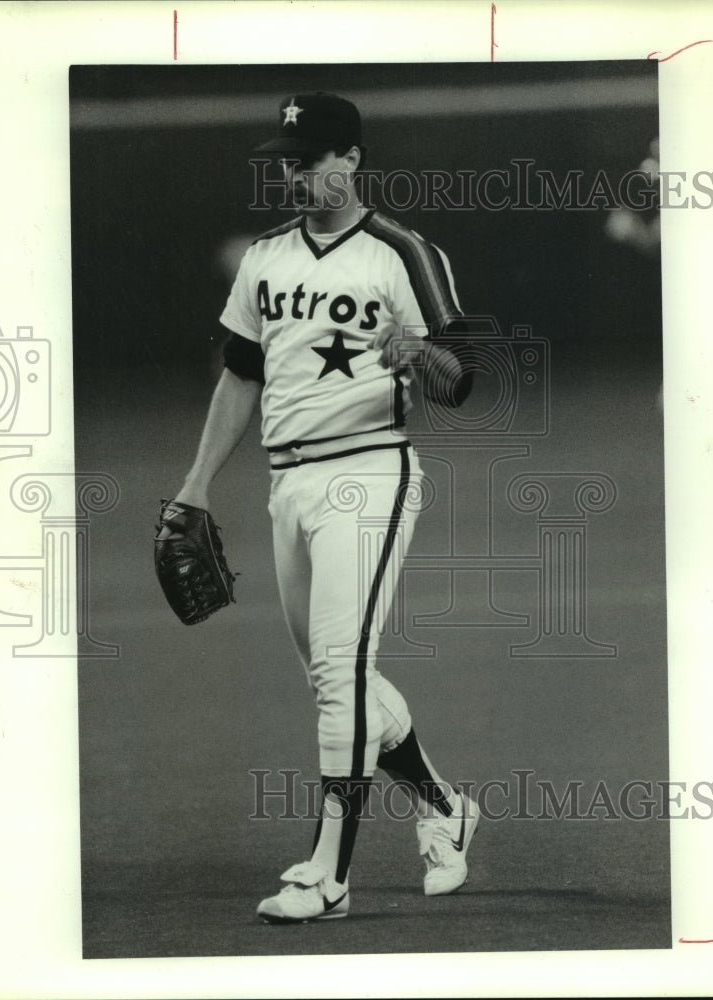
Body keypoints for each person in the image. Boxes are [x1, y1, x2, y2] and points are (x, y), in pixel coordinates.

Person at [169, 92, 479, 923]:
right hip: (289, 484)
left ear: (351, 161)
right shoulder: (265, 258)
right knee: (337, 677)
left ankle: (328, 873)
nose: (296, 173)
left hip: (370, 474)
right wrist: (196, 483)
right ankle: (445, 807)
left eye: (309, 159)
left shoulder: (399, 253)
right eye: (288, 161)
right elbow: (241, 374)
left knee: (338, 674)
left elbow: (461, 379)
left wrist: (416, 350)